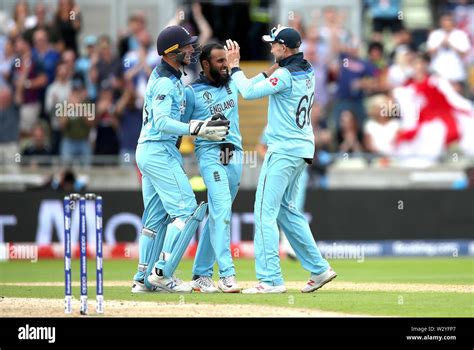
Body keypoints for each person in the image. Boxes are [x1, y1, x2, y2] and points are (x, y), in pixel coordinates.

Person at [225, 26, 337, 294]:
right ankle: (319, 268)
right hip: (302, 148)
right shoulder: (306, 68)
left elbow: (249, 93)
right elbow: (264, 82)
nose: (271, 48)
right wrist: (266, 72)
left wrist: (235, 68)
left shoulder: (285, 75)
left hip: (284, 149)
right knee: (287, 210)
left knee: (264, 212)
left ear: (284, 48)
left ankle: (270, 279)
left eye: (274, 44)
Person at [131, 25, 230, 294]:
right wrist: (196, 128)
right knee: (187, 211)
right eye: (186, 46)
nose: (191, 50)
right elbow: (162, 122)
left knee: (155, 218)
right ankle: (162, 273)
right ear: (171, 51)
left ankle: (142, 279)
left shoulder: (171, 77)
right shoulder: (165, 81)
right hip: (159, 151)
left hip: (150, 151)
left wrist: (198, 124)